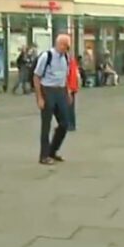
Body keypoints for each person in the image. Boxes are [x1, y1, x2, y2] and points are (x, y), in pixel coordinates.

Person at [34, 34, 73, 165]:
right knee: (46, 124)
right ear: (59, 44)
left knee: (65, 123)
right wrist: (39, 97)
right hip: (47, 89)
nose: (66, 49)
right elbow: (36, 77)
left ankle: (53, 150)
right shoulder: (47, 56)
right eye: (65, 46)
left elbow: (65, 76)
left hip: (60, 90)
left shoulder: (66, 57)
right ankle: (44, 156)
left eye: (68, 46)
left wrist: (67, 93)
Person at [66, 51, 80, 132]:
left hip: (70, 87)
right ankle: (69, 124)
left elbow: (70, 76)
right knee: (68, 107)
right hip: (72, 87)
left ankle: (71, 124)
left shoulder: (69, 62)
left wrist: (69, 89)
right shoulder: (72, 61)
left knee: (69, 107)